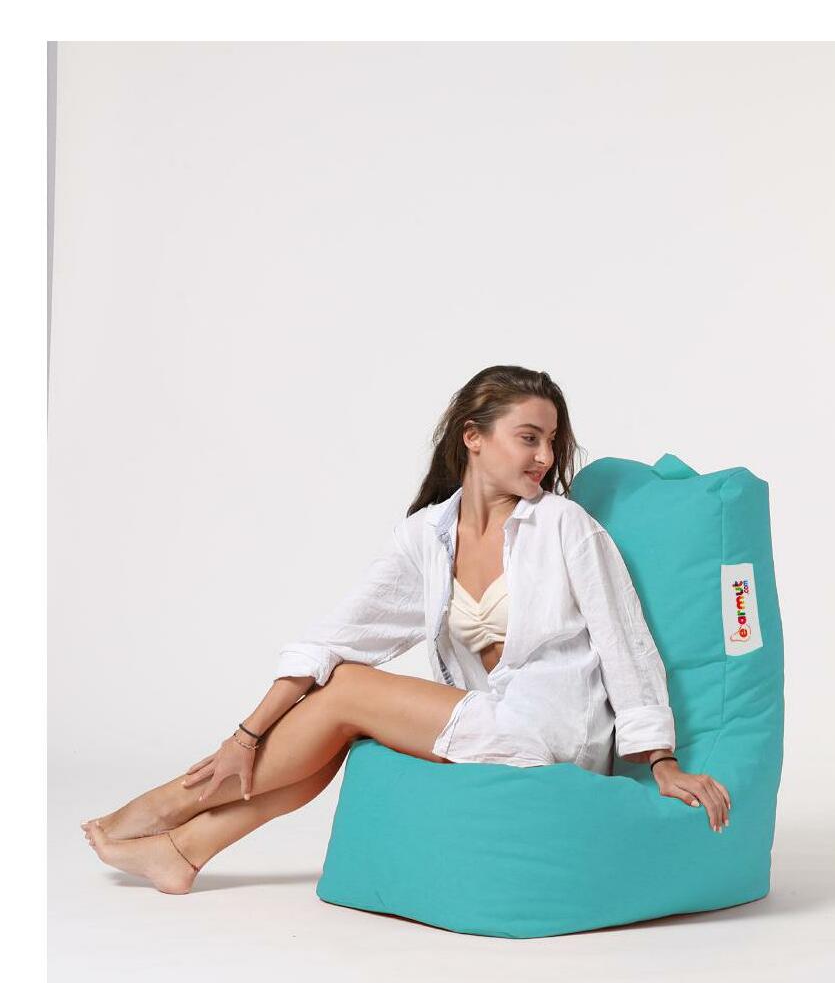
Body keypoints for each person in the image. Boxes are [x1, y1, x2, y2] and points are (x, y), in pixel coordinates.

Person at [82, 365, 731, 894]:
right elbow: (331, 640)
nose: (545, 455)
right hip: (491, 719)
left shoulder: (564, 524)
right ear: (473, 437)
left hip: (557, 729)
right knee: (337, 715)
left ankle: (167, 806)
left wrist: (661, 759)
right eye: (528, 437)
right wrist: (243, 737)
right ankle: (183, 851)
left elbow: (625, 640)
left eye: (551, 441)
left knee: (346, 693)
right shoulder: (426, 536)